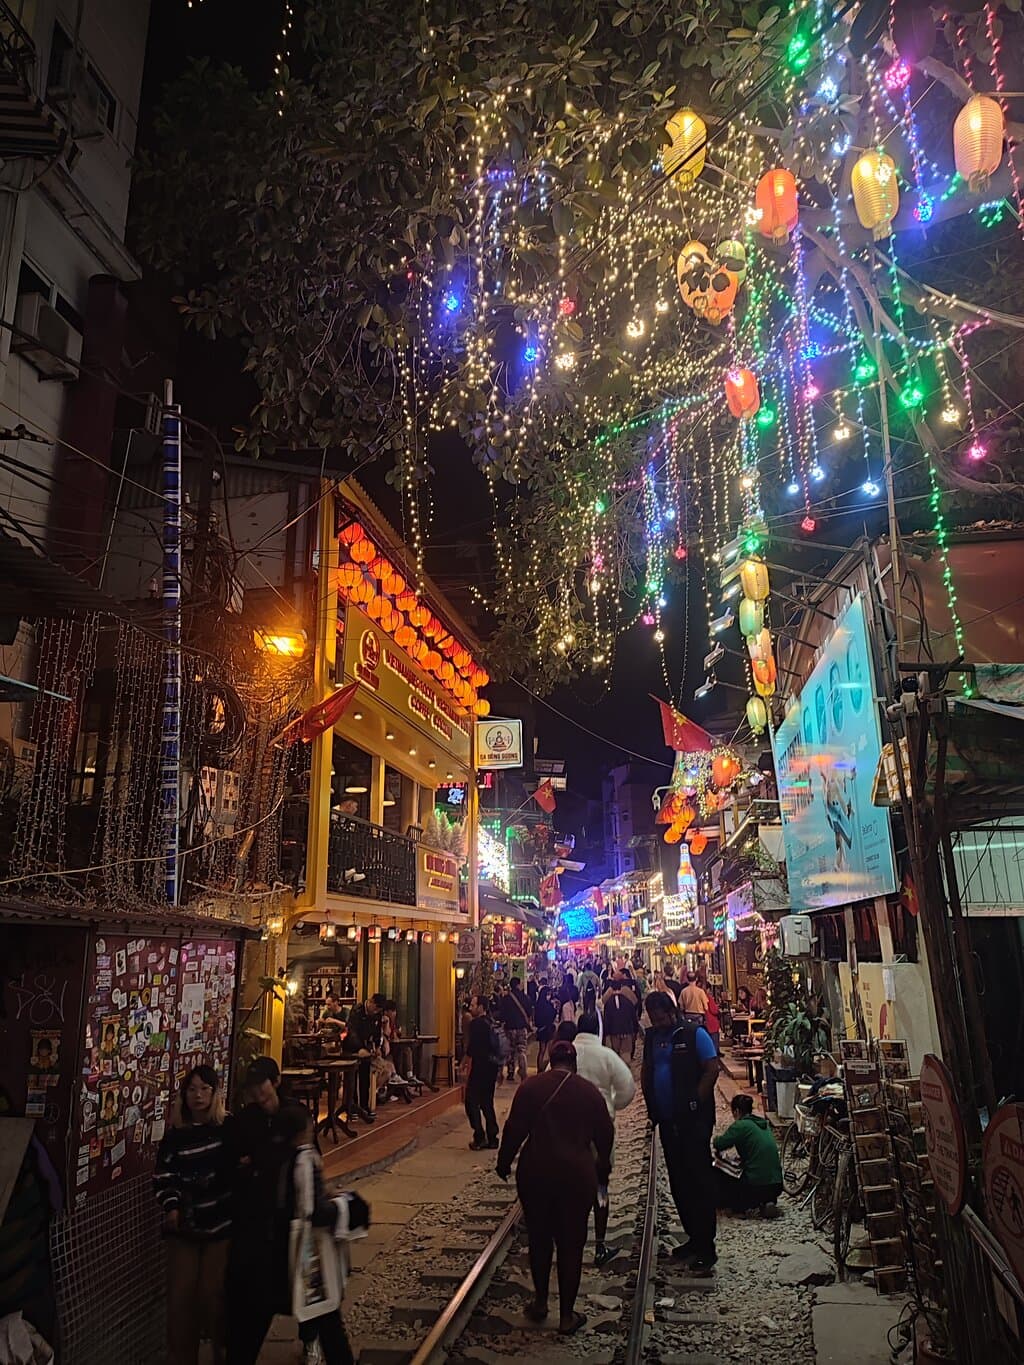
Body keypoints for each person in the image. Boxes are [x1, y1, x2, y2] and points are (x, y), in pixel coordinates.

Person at [496, 1041, 614, 1336]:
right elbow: (605, 1135)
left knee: (539, 1238)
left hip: (536, 1172)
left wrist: (504, 1162)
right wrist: (602, 1170)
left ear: (550, 1060)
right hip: (576, 1175)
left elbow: (514, 1129)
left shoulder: (531, 1088)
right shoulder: (589, 1092)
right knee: (571, 1244)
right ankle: (566, 1317)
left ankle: (539, 1302)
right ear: (574, 1063)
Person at [224, 1057, 316, 1365]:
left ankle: (310, 1340)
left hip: (291, 1219)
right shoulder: (247, 1119)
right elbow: (236, 1161)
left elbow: (305, 1159)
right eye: (254, 1092)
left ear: (275, 1081)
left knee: (303, 1284)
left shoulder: (293, 1114)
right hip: (256, 1221)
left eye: (263, 1089)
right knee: (257, 1297)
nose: (259, 1098)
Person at [154, 1066, 232, 1365]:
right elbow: (164, 1175)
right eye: (192, 1090)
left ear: (214, 1094)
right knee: (181, 1302)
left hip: (221, 1226)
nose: (198, 1096)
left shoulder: (227, 1129)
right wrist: (172, 1205)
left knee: (215, 1298)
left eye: (204, 1089)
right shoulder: (176, 1137)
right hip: (185, 1227)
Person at [641, 991, 719, 1273]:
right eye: (653, 1017)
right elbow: (648, 1069)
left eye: (660, 1016)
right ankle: (692, 1238)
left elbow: (712, 1069)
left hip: (694, 1122)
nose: (657, 1021)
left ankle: (706, 1246)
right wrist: (652, 1105)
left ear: (671, 1012)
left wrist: (696, 1099)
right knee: (678, 1182)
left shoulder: (693, 1034)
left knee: (698, 1180)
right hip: (667, 1121)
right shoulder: (652, 1038)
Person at [277, 1106, 358, 1364]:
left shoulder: (286, 1158)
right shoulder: (304, 1159)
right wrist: (344, 1206)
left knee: (322, 1311)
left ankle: (314, 1347)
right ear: (306, 1130)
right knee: (326, 1311)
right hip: (311, 1250)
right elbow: (312, 1209)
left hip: (299, 1246)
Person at [572, 1012, 635, 1267]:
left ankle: (568, 1238)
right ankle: (599, 1244)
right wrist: (612, 1104)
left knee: (570, 1185)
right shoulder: (607, 1056)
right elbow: (627, 1088)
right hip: (599, 1130)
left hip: (568, 1128)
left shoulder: (567, 1052)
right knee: (600, 1185)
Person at [713, 1094, 783, 1215]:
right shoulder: (762, 1124)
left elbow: (720, 1143)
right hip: (776, 1185)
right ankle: (766, 1202)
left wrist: (714, 1139)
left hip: (755, 1184)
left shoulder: (741, 1125)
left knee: (718, 1167)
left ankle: (733, 1204)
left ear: (737, 1111)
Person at [341, 993, 386, 1122]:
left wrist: (377, 1046)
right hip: (351, 1047)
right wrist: (359, 1048)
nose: (376, 1012)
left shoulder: (376, 1015)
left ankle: (364, 1107)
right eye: (376, 1008)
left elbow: (377, 1032)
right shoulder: (357, 1011)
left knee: (365, 1076)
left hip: (366, 1048)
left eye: (379, 1010)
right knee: (352, 1079)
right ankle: (352, 1108)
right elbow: (352, 1032)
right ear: (370, 1002)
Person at [464, 995, 500, 1150]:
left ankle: (479, 1135)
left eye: (473, 1005)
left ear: (481, 1007)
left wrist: (464, 1063)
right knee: (487, 1102)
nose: (470, 1008)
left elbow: (473, 1048)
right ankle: (493, 1137)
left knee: (471, 1101)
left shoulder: (477, 1024)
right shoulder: (492, 1023)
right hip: (491, 1067)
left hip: (480, 1067)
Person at [496, 977, 532, 1084]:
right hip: (521, 1027)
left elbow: (502, 1014)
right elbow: (529, 1012)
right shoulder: (525, 997)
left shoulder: (506, 999)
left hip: (509, 1027)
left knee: (510, 1051)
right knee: (521, 1049)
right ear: (518, 984)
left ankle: (510, 1073)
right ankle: (523, 1070)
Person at [601, 973, 638, 1059]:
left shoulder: (609, 1001)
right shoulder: (627, 999)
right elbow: (633, 1015)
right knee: (625, 1054)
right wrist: (635, 1030)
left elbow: (606, 1019)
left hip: (614, 1031)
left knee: (615, 1054)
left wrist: (606, 1033)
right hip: (627, 1030)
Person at [533, 980, 557, 1073]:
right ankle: (548, 1068)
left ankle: (539, 1069)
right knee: (549, 1050)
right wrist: (554, 1009)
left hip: (541, 1029)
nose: (549, 996)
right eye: (548, 994)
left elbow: (536, 1018)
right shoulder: (548, 1005)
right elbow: (552, 1016)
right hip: (548, 1029)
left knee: (542, 1050)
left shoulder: (538, 1004)